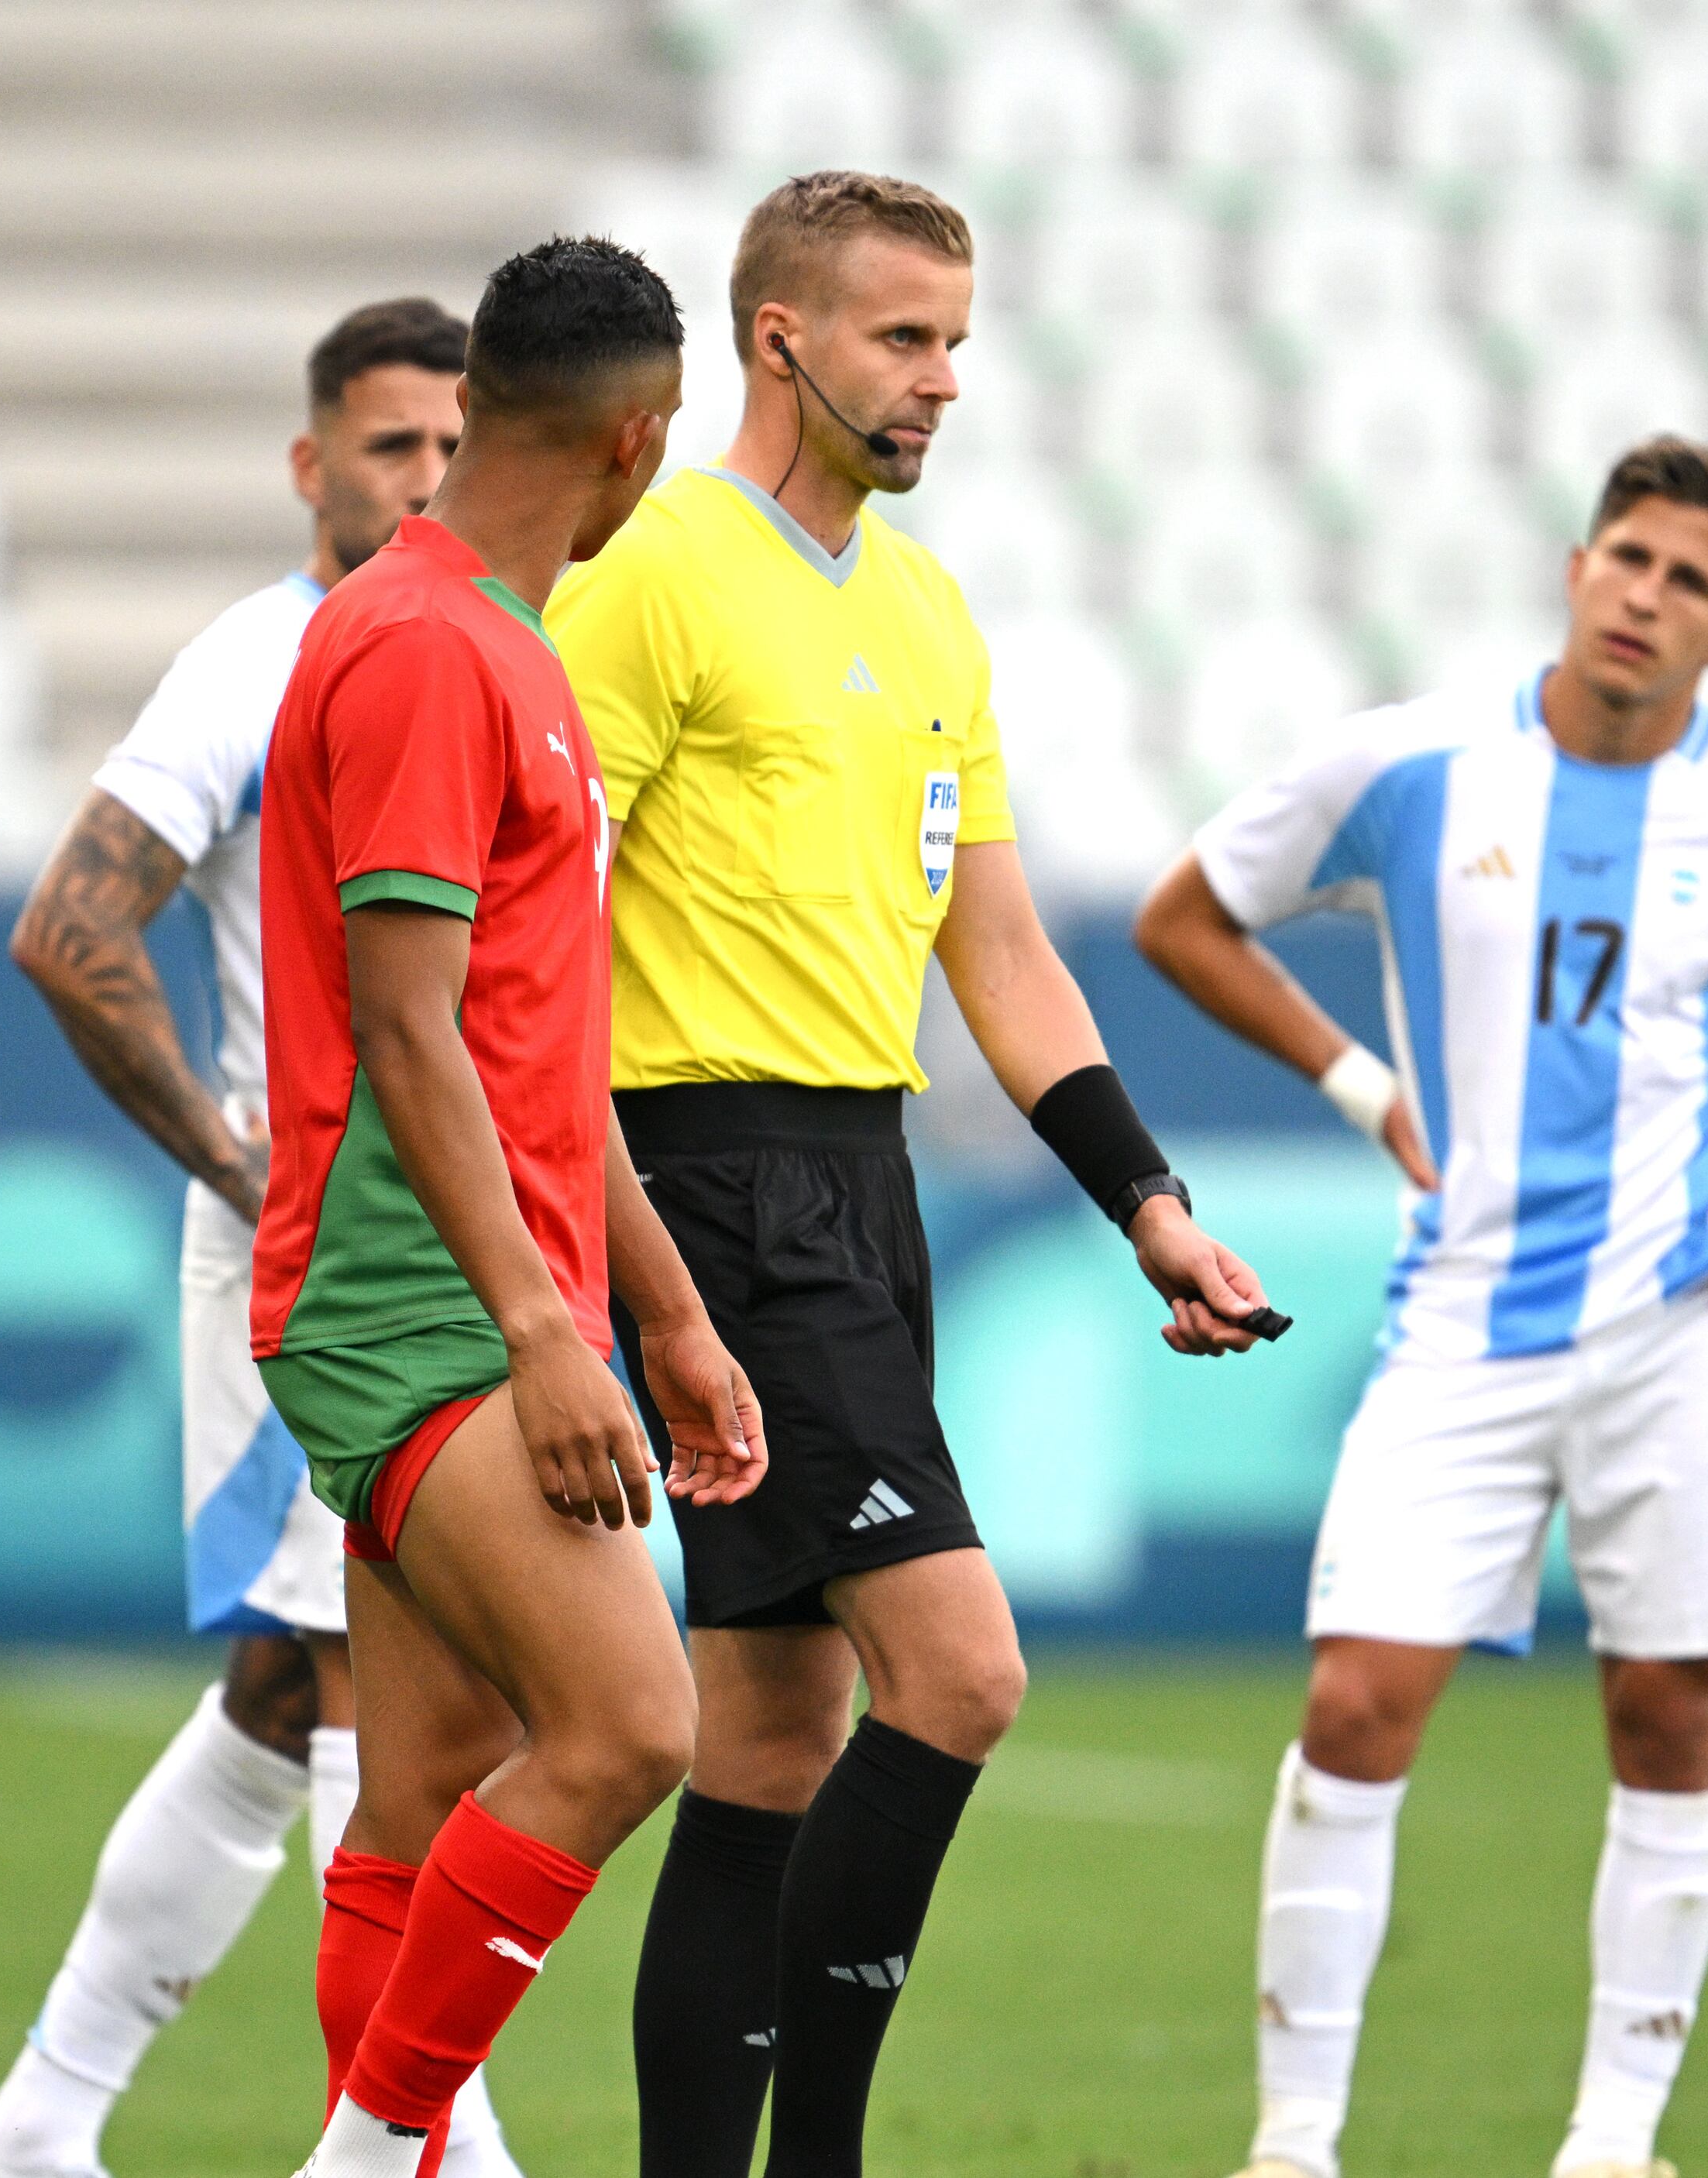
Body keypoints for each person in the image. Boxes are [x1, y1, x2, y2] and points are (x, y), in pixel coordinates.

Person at [1132, 437, 1708, 2178]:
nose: (1645, 598)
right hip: (1460, 1320)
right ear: (1578, 567)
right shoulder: (1416, 767)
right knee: (1355, 1705)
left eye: (1689, 584)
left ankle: (1613, 2140)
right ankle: (1293, 2143)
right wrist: (1363, 1084)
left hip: (1685, 1328)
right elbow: (1187, 917)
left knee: (1669, 1715)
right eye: (1628, 558)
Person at [546, 170, 1277, 2178]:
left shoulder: (928, 608)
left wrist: (1146, 1201)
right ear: (779, 338)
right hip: (712, 1176)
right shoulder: (651, 574)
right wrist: (624, 1257)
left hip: (861, 1180)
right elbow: (546, 931)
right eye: (903, 336)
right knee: (960, 1670)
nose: (945, 377)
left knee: (773, 1736)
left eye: (956, 338)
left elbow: (1003, 952)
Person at [0, 296, 523, 2178]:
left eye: (453, 444)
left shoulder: (496, 642)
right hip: (334, 1259)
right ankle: (434, 2147)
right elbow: (71, 926)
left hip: (451, 1243)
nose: (424, 477)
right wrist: (232, 1157)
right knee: (388, 1687)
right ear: (308, 463)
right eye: (389, 445)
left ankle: (34, 2128)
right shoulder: (262, 660)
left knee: (293, 1691)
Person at [253, 235, 765, 2178]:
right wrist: (550, 1336)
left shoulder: (487, 640)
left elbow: (532, 1050)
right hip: (417, 1300)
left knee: (423, 1795)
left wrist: (667, 1309)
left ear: (478, 399)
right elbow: (406, 1025)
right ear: (640, 441)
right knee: (631, 1723)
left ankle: (389, 2152)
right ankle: (366, 2160)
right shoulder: (427, 649)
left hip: (470, 1288)